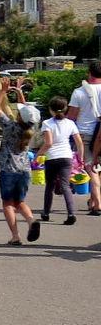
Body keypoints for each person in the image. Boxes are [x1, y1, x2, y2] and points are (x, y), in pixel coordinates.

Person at [0, 70, 42, 245]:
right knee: (20, 201)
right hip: (24, 170)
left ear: (18, 117)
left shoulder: (9, 127)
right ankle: (31, 220)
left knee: (8, 203)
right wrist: (19, 92)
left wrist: (2, 91)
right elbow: (27, 114)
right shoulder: (31, 128)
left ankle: (15, 236)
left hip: (8, 170)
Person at [38, 95, 84, 225]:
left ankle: (46, 212)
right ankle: (71, 213)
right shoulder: (70, 123)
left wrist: (37, 155)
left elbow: (48, 143)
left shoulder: (47, 123)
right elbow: (79, 142)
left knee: (50, 186)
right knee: (65, 186)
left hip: (52, 158)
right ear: (65, 109)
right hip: (67, 157)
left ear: (51, 110)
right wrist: (80, 157)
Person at [69, 62, 101, 217]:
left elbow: (72, 116)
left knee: (91, 168)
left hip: (86, 134)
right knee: (99, 169)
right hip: (98, 133)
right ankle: (93, 200)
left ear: (89, 73)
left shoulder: (79, 92)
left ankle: (98, 205)